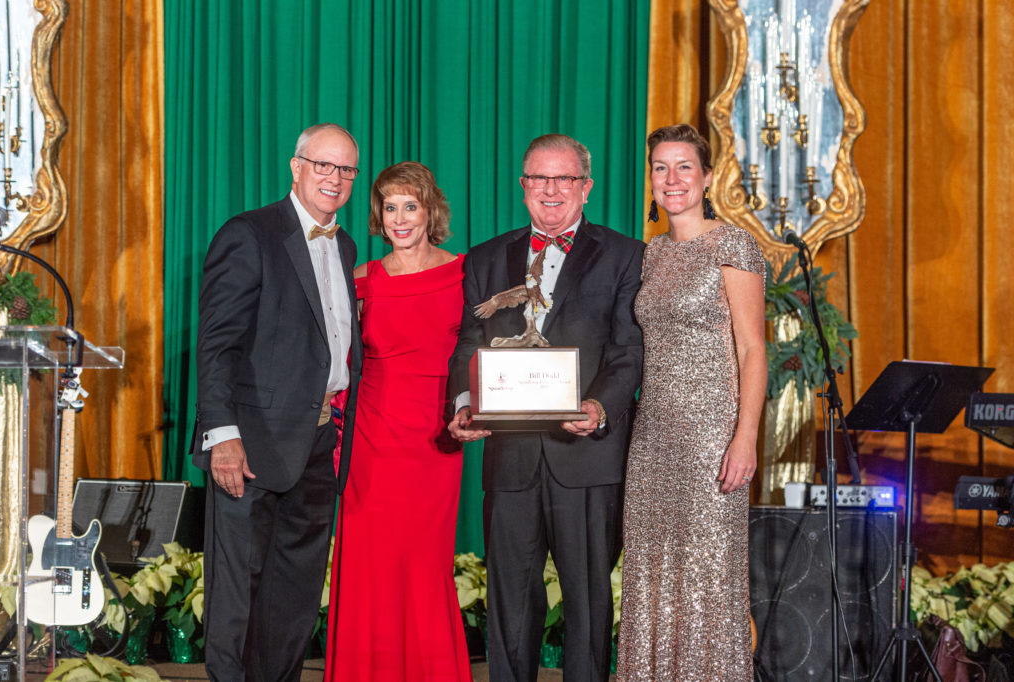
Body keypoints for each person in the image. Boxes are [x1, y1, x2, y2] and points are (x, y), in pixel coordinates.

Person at [447, 134, 644, 682]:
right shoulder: (487, 257)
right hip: (509, 457)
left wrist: (599, 407)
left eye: (564, 179)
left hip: (586, 455)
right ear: (523, 186)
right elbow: (468, 342)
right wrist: (465, 403)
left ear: (587, 187)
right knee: (510, 599)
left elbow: (629, 350)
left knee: (586, 600)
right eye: (538, 178)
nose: (550, 190)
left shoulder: (627, 255)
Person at [194, 123, 363, 681]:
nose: (334, 179)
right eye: (323, 165)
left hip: (318, 442)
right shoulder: (249, 233)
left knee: (294, 595)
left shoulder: (344, 244)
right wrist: (221, 435)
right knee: (237, 594)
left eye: (346, 170)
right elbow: (218, 343)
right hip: (250, 443)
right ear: (296, 167)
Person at [616, 123, 767, 681]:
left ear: (707, 176)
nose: (672, 178)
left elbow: (753, 350)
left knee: (707, 580)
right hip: (652, 439)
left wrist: (744, 436)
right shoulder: (652, 254)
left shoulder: (732, 243)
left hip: (711, 439)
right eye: (660, 167)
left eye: (684, 167)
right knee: (651, 577)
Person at [323, 161, 471, 681]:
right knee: (369, 565)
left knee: (424, 565)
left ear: (431, 211)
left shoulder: (464, 275)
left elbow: (477, 356)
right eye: (390, 208)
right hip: (371, 442)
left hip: (434, 441)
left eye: (411, 206)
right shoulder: (361, 279)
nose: (401, 218)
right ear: (378, 216)